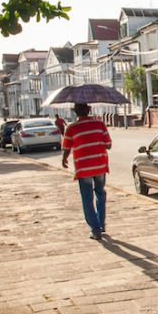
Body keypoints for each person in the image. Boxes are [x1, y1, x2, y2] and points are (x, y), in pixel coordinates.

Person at [61, 103, 112, 240]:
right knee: (100, 194)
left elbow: (66, 148)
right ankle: (101, 223)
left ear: (75, 112)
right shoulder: (99, 125)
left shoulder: (71, 128)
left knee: (87, 198)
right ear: (89, 110)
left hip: (84, 168)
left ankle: (95, 229)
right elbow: (108, 145)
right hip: (100, 165)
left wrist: (64, 159)